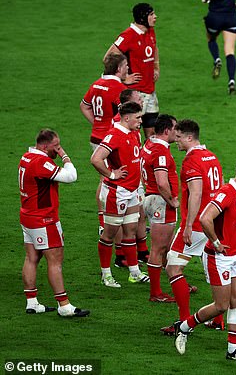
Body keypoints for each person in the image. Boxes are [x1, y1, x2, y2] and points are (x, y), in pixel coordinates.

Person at [174, 159, 236, 362]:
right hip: (219, 258)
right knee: (221, 306)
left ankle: (233, 350)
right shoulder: (226, 193)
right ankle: (184, 327)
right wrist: (215, 241)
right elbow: (205, 218)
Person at [160, 119, 225, 334]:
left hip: (197, 225)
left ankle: (184, 323)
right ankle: (218, 321)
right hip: (214, 222)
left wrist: (188, 226)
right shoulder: (212, 156)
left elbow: (196, 193)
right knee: (216, 273)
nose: (174, 141)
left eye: (178, 137)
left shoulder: (191, 162)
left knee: (173, 267)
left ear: (189, 137)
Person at [19, 129, 90, 317]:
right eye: (55, 147)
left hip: (27, 216)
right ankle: (64, 305)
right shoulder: (40, 161)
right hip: (44, 219)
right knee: (55, 260)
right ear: (43, 146)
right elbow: (71, 176)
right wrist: (65, 156)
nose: (58, 150)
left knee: (31, 258)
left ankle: (32, 302)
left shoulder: (26, 157)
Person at [91, 101, 150, 287]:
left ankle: (134, 272)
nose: (141, 120)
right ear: (127, 118)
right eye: (138, 117)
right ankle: (106, 274)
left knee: (130, 231)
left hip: (132, 190)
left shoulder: (134, 132)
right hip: (117, 192)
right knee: (109, 235)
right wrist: (111, 174)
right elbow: (95, 158)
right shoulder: (114, 135)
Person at [80, 53, 129, 236]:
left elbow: (83, 105)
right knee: (108, 179)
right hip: (109, 141)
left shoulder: (96, 84)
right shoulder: (118, 88)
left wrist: (97, 123)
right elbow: (125, 116)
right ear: (118, 69)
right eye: (125, 66)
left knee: (105, 179)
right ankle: (106, 222)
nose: (127, 69)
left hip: (96, 137)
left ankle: (110, 220)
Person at [104, 3, 160, 137]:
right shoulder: (128, 35)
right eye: (151, 14)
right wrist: (123, 78)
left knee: (152, 134)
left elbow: (154, 48)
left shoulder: (150, 31)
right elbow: (108, 58)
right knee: (132, 134)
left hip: (150, 91)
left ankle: (148, 158)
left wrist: (156, 67)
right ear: (142, 18)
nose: (155, 17)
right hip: (135, 93)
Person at [141, 114, 179, 303]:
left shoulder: (149, 144)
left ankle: (177, 282)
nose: (177, 133)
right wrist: (172, 201)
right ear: (167, 131)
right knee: (158, 249)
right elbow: (162, 182)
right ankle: (156, 293)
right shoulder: (161, 151)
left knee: (168, 247)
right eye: (175, 129)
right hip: (161, 202)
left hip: (150, 198)